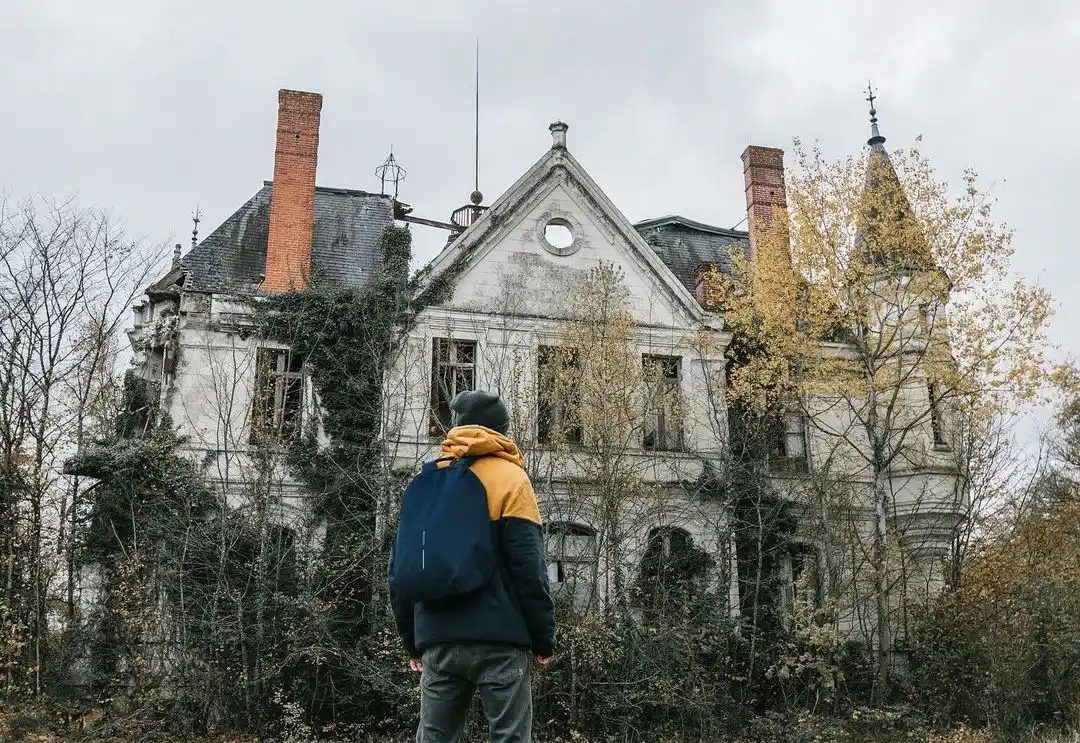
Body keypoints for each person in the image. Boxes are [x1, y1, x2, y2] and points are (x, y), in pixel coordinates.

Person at [389, 390, 555, 743]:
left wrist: (412, 642)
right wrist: (543, 639)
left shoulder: (426, 482)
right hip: (501, 641)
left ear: (456, 427)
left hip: (438, 639)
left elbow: (401, 571)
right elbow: (529, 569)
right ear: (502, 430)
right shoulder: (511, 479)